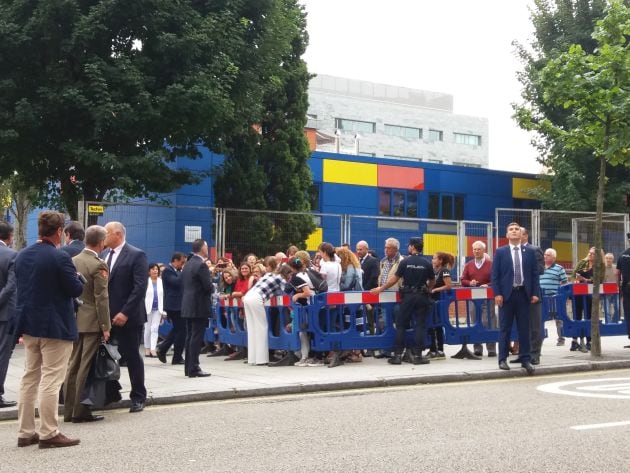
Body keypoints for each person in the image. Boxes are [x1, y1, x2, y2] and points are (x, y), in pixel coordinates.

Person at [15, 211, 84, 448]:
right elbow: (74, 289)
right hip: (55, 325)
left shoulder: (22, 255)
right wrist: (79, 279)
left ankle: (25, 432)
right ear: (58, 232)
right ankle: (49, 432)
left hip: (29, 325)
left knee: (29, 377)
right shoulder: (60, 257)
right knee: (52, 379)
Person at [63, 225, 111, 423]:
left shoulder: (73, 261)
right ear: (100, 243)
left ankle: (68, 410)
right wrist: (106, 326)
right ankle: (80, 410)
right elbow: (102, 298)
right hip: (92, 320)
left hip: (76, 317)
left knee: (72, 364)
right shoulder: (98, 265)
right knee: (85, 366)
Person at [102, 221, 148, 413]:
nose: (104, 237)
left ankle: (138, 396)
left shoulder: (136, 255)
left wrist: (125, 313)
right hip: (108, 317)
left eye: (107, 233)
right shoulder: (105, 255)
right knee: (106, 356)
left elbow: (139, 288)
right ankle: (112, 392)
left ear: (118, 234)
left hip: (129, 317)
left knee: (131, 356)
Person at [371, 237, 434, 365]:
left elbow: (394, 279)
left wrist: (381, 288)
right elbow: (432, 280)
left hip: (408, 297)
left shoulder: (405, 262)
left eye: (409, 245)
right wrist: (428, 288)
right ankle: (417, 356)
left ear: (412, 247)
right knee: (420, 325)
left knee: (401, 325)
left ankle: (398, 355)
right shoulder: (426, 263)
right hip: (422, 296)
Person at [491, 222, 539, 375]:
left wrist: (535, 293)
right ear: (507, 235)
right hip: (506, 296)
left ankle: (525, 359)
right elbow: (495, 275)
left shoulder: (529, 252)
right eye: (511, 229)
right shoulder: (500, 252)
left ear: (521, 233)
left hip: (523, 294)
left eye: (517, 229)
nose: (514, 231)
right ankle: (502, 359)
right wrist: (497, 293)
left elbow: (534, 275)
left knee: (524, 329)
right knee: (505, 328)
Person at [243, 257, 292, 366]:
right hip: (257, 298)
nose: (290, 276)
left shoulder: (269, 274)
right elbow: (284, 292)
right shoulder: (281, 279)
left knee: (252, 328)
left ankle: (252, 358)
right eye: (290, 274)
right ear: (286, 273)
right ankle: (261, 359)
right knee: (261, 327)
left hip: (248, 296)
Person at [181, 239, 213, 378]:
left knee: (189, 336)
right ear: (202, 249)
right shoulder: (201, 265)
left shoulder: (188, 264)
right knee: (196, 337)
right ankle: (194, 367)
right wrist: (212, 283)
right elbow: (208, 287)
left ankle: (188, 367)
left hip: (188, 304)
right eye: (206, 246)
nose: (207, 249)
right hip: (198, 305)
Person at [460, 240, 496, 357]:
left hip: (487, 297)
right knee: (475, 322)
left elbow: (496, 280)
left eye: (478, 249)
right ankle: (477, 349)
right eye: (474, 249)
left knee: (488, 322)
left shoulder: (491, 264)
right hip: (473, 298)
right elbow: (463, 280)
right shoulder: (469, 265)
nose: (476, 251)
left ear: (483, 250)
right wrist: (470, 282)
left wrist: (488, 285)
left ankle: (491, 349)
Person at [156, 252, 186, 365]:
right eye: (182, 262)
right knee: (181, 330)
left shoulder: (178, 271)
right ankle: (176, 357)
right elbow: (176, 282)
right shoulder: (168, 271)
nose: (182, 265)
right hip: (173, 305)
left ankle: (163, 349)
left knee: (179, 329)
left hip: (179, 305)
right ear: (175, 260)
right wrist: (184, 272)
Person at [520, 227, 545, 365]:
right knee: (522, 325)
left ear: (525, 236)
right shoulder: (512, 251)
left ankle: (535, 354)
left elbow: (540, 269)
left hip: (532, 292)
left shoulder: (534, 250)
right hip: (517, 293)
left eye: (520, 233)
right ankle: (524, 353)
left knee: (534, 325)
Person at [0, 221, 17, 409]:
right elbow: (11, 287)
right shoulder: (12, 255)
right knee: (2, 354)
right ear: (10, 236)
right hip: (5, 313)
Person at [571, 247, 599, 352]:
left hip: (590, 295)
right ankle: (574, 341)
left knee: (588, 317)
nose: (590, 255)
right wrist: (576, 279)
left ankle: (589, 341)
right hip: (578, 293)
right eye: (589, 253)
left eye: (593, 254)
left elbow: (598, 279)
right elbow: (573, 275)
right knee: (576, 316)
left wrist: (585, 280)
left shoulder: (599, 266)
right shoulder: (582, 263)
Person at [539, 248, 568, 346]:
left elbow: (564, 282)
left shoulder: (559, 268)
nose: (545, 256)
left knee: (558, 319)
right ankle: (539, 340)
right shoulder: (539, 267)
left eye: (548, 255)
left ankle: (561, 339)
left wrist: (563, 297)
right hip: (541, 297)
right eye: (545, 254)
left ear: (554, 258)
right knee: (540, 319)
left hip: (555, 297)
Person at [428, 252, 454, 360]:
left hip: (439, 301)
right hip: (432, 301)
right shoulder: (434, 271)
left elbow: (448, 286)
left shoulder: (444, 271)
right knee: (432, 325)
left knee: (437, 325)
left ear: (440, 261)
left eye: (434, 258)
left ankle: (440, 350)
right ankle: (433, 349)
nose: (432, 260)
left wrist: (435, 289)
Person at [143, 263, 164, 358]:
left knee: (155, 329)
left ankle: (153, 348)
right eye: (153, 269)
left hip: (158, 309)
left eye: (156, 269)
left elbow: (164, 296)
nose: (155, 271)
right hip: (147, 309)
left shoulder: (161, 281)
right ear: (149, 271)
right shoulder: (146, 281)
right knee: (147, 329)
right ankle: (147, 348)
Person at [617, 233, 630, 347]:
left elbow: (618, 273)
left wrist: (619, 288)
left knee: (628, 313)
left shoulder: (622, 255)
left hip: (627, 288)